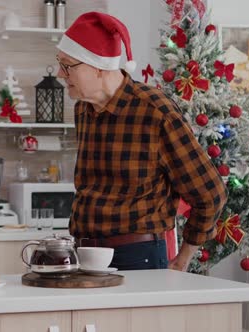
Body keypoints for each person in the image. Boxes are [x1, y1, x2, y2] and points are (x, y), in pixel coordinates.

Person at [56, 12, 227, 272]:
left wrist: (183, 258)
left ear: (99, 67)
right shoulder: (84, 108)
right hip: (85, 254)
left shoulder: (154, 111)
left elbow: (210, 193)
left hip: (137, 256)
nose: (60, 73)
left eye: (67, 65)